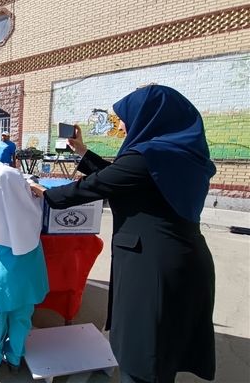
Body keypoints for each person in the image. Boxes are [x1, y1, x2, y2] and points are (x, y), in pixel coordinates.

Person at [30, 85, 216, 383]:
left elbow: (99, 185)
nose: (124, 125)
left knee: (141, 357)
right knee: (163, 350)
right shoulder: (184, 155)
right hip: (184, 262)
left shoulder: (147, 156)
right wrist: (82, 151)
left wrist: (45, 194)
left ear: (150, 116)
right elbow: (121, 178)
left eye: (126, 117)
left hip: (150, 268)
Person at [0, 161, 48, 377]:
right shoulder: (32, 209)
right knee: (22, 315)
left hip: (3, 274)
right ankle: (15, 356)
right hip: (26, 274)